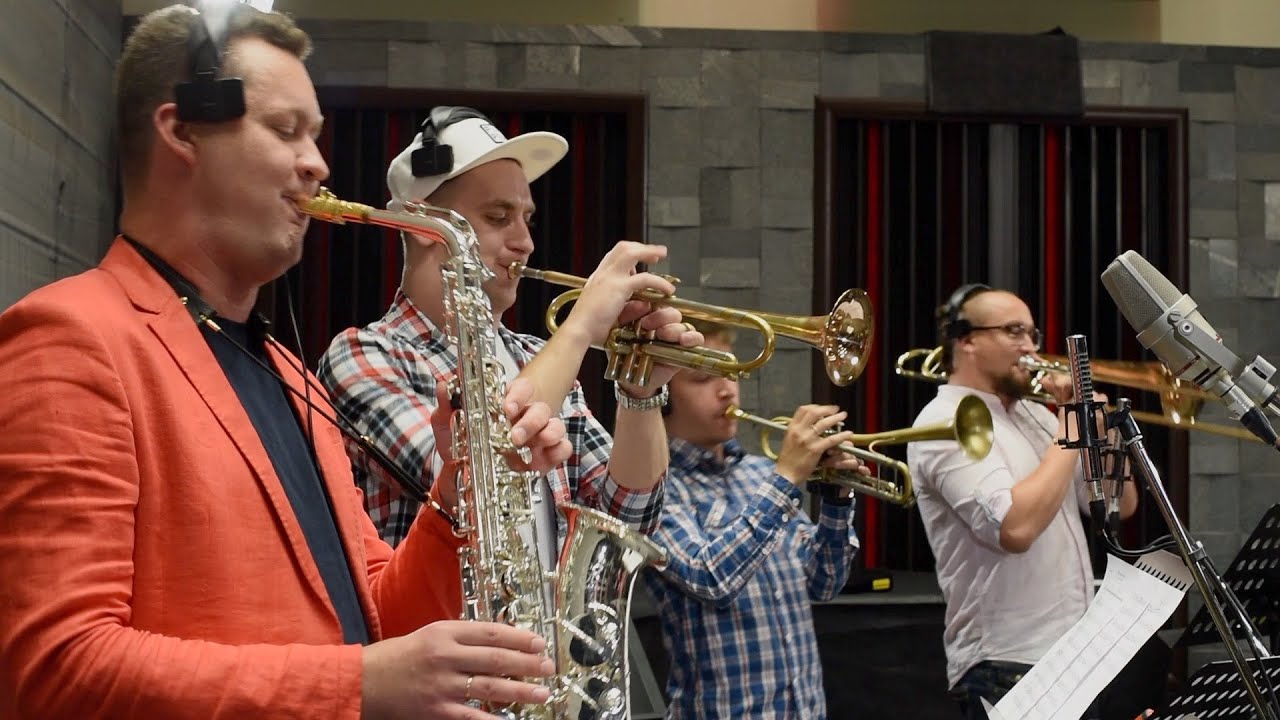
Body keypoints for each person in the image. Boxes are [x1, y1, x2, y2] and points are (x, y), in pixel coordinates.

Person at [0, 6, 570, 719]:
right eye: (285, 129)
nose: (318, 164)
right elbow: (54, 671)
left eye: (316, 135)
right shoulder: (70, 337)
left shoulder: (293, 375)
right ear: (181, 131)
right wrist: (359, 686)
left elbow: (376, 616)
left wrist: (460, 491)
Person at [318, 105, 700, 558]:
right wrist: (580, 327)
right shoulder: (365, 355)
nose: (526, 242)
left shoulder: (537, 358)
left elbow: (627, 524)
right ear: (423, 225)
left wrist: (640, 395)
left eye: (527, 220)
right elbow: (477, 485)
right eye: (499, 218)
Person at [906, 284, 1140, 719]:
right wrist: (1071, 426)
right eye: (1014, 332)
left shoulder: (1034, 415)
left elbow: (1116, 506)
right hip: (1008, 661)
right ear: (967, 340)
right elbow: (1015, 529)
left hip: (1071, 650)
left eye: (1033, 334)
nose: (1030, 347)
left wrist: (1102, 433)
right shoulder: (945, 423)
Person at [640, 320, 865, 720]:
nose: (727, 390)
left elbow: (824, 582)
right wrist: (788, 478)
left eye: (731, 373)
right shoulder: (651, 488)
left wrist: (836, 499)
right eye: (703, 378)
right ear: (662, 396)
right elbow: (709, 578)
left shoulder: (762, 474)